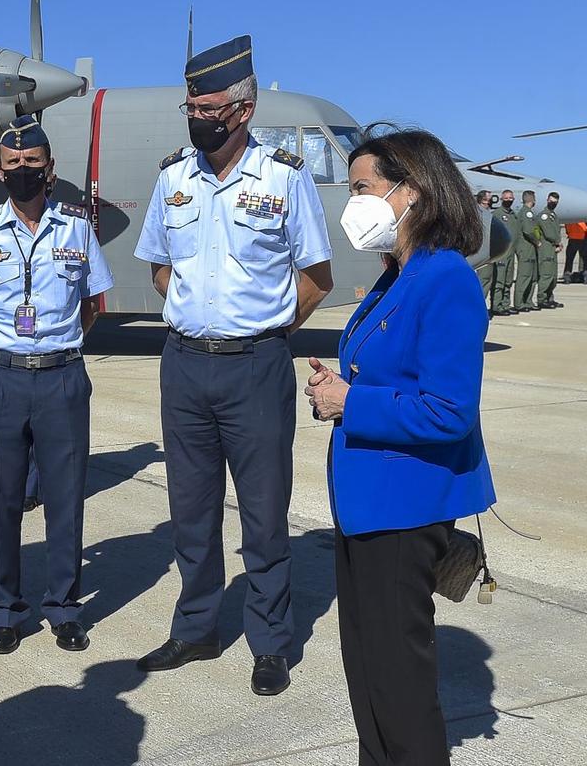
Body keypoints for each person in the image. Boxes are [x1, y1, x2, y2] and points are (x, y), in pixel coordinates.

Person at [133, 35, 333, 697]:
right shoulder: (172, 178)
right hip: (185, 366)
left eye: (207, 103)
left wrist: (264, 328)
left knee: (263, 513)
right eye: (190, 103)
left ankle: (271, 641)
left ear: (241, 109)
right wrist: (199, 314)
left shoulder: (284, 176)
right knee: (190, 509)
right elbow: (160, 266)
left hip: (256, 367)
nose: (196, 114)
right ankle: (197, 628)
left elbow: (317, 275)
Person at [304, 125, 497, 766]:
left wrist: (349, 403)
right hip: (366, 502)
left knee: (399, 683)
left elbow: (448, 411)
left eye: (363, 188)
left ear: (411, 191)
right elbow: (391, 376)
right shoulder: (397, 275)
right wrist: (343, 385)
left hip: (403, 510)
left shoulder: (444, 279)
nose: (352, 201)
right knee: (368, 670)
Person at [0, 113, 113, 656]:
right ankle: (5, 611)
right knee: (2, 501)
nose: (23, 171)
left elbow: (92, 305)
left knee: (66, 498)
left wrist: (54, 349)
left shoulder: (78, 229)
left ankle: (63, 607)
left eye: (32, 163)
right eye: (13, 164)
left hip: (62, 377)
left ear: (50, 169)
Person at [508, 193, 538, 312]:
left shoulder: (527, 212)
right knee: (524, 276)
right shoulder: (526, 213)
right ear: (533, 200)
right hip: (525, 248)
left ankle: (528, 301)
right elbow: (528, 230)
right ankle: (519, 303)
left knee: (532, 276)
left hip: (530, 247)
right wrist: (537, 241)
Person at [490, 190, 517, 317]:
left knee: (508, 280)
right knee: (499, 281)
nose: (509, 200)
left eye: (511, 198)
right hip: (501, 253)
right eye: (506, 198)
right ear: (501, 199)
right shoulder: (497, 214)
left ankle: (505, 304)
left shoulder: (513, 215)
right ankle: (496, 305)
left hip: (510, 252)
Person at [534, 192, 563, 308]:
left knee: (553, 276)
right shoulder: (544, 216)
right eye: (551, 201)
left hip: (553, 248)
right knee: (546, 275)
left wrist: (557, 243)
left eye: (555, 202)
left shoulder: (553, 215)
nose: (553, 203)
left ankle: (550, 298)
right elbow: (548, 232)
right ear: (547, 200)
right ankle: (542, 299)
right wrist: (558, 242)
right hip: (546, 248)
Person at [564, 218, 587, 283]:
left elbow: (566, 227)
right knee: (586, 260)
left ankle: (567, 277)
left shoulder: (570, 216)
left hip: (572, 238)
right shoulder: (583, 214)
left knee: (569, 260)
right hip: (583, 238)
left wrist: (569, 233)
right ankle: (586, 277)